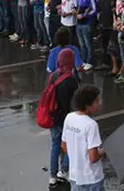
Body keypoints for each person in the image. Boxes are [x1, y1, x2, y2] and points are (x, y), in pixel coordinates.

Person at [61, 85, 104, 191]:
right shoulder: (91, 125)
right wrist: (104, 151)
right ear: (87, 105)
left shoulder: (69, 117)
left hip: (75, 176)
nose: (99, 103)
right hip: (91, 178)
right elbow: (93, 158)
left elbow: (63, 145)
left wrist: (77, 157)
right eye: (96, 101)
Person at [48, 48, 80, 189]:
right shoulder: (71, 79)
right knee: (69, 146)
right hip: (67, 118)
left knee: (55, 146)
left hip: (54, 117)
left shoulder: (53, 76)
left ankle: (52, 176)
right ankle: (64, 170)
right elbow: (76, 100)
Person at [75, 0, 97, 72]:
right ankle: (83, 60)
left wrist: (84, 15)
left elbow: (94, 10)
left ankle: (90, 61)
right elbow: (76, 7)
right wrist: (74, 10)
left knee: (88, 44)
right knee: (82, 44)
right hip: (79, 23)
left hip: (87, 23)